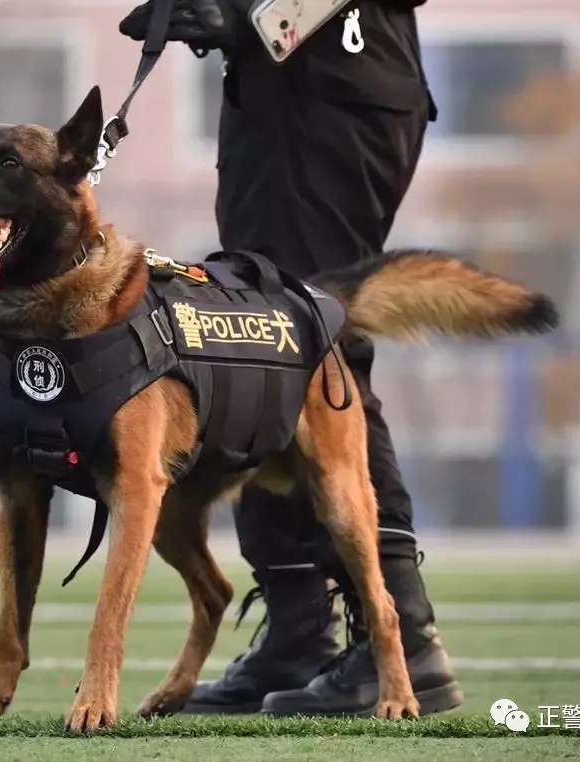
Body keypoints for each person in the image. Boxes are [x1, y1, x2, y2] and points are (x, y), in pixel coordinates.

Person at [118, 0, 464, 716]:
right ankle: (296, 625)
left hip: (329, 87)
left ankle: (398, 637)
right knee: (260, 354)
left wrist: (248, 15)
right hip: (281, 95)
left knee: (311, 355)